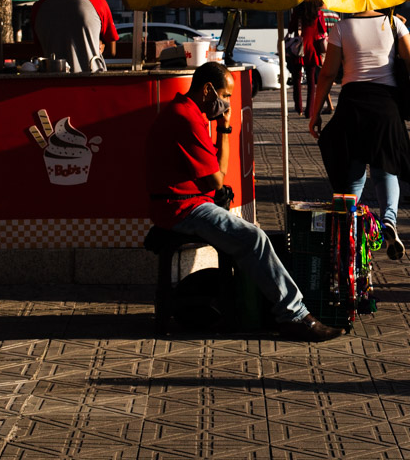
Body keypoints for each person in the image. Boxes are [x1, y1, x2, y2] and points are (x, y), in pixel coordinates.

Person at [146, 62, 342, 342]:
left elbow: (212, 176)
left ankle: (279, 309)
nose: (226, 103)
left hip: (190, 202)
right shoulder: (185, 117)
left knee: (249, 236)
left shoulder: (191, 113)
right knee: (254, 238)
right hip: (181, 207)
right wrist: (225, 129)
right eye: (225, 96)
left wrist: (219, 129)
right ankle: (294, 315)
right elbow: (216, 179)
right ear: (208, 90)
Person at [310, 9, 410, 261]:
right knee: (386, 170)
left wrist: (316, 113)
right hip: (386, 107)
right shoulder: (393, 24)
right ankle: (389, 220)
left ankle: (346, 227)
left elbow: (327, 73)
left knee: (354, 175)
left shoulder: (341, 27)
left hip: (353, 106)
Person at [287, 1, 328, 117]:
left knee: (297, 79)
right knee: (311, 81)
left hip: (298, 47)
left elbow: (290, 29)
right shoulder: (318, 13)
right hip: (313, 48)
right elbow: (323, 29)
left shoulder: (297, 12)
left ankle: (299, 107)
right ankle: (309, 111)